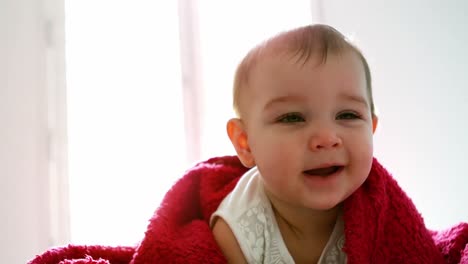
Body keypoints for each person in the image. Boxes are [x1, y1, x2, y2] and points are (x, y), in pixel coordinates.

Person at [210, 24, 378, 263]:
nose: (327, 139)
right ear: (245, 143)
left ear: (371, 129)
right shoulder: (239, 229)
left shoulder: (380, 212)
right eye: (292, 118)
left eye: (347, 115)